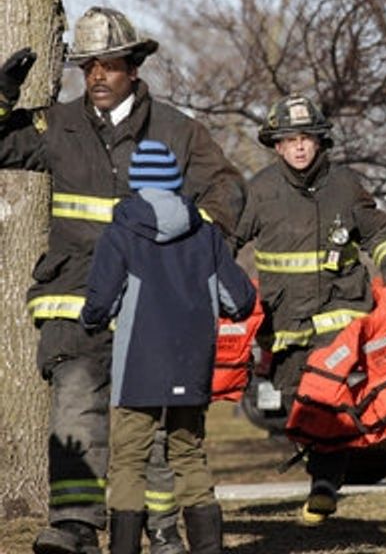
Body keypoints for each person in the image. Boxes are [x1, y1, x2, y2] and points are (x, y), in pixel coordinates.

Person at [0, 8, 245, 554]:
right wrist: (2, 96)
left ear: (134, 67)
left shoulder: (179, 132)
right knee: (75, 399)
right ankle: (75, 525)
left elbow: (228, 192)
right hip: (76, 295)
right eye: (87, 67)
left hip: (153, 304)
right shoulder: (56, 126)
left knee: (153, 420)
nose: (97, 77)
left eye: (109, 65)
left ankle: (161, 530)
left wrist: (191, 255)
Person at [233, 94, 386, 526]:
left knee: (327, 393)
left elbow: (380, 233)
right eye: (289, 139)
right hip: (285, 324)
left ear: (319, 141)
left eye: (306, 138)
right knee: (301, 406)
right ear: (276, 146)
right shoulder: (259, 191)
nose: (298, 147)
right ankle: (323, 473)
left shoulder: (345, 186)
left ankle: (325, 486)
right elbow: (227, 241)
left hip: (339, 315)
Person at [81, 141, 256, 554]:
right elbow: (241, 300)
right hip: (192, 364)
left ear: (136, 181)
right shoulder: (206, 234)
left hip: (138, 365)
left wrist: (91, 320)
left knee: (128, 460)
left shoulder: (121, 232)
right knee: (190, 455)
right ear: (175, 181)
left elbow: (100, 302)